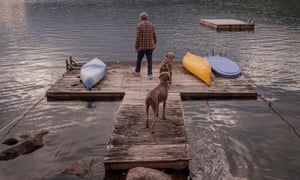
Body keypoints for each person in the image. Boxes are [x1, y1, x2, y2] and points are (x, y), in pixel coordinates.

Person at [133, 12, 157, 79]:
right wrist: (155, 44)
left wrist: (136, 46)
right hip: (150, 46)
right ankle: (150, 74)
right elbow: (154, 35)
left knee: (139, 59)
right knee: (149, 60)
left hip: (142, 47)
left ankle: (137, 72)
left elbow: (137, 37)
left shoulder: (139, 25)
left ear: (141, 18)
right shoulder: (151, 25)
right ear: (147, 17)